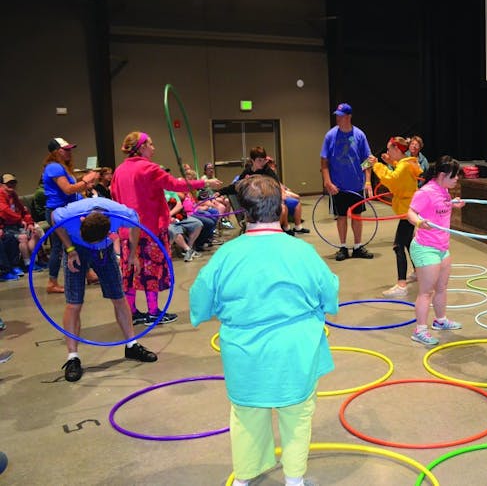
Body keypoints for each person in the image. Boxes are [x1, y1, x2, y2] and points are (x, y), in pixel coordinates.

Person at [190, 175, 338, 486]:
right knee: (296, 416)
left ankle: (244, 479)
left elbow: (200, 300)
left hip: (244, 354)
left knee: (247, 416)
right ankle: (294, 480)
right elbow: (329, 293)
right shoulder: (302, 252)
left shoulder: (226, 256)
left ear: (243, 212)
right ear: (281, 208)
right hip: (295, 352)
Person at [111, 131, 222, 326]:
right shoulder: (149, 169)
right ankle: (153, 311)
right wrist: (204, 182)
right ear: (142, 147)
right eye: (151, 144)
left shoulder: (119, 171)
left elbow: (115, 197)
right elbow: (175, 184)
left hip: (128, 230)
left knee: (131, 271)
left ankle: (132, 312)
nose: (153, 148)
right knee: (151, 271)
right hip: (151, 229)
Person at [51, 197, 158, 382]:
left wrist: (132, 255)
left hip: (105, 250)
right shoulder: (70, 214)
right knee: (73, 304)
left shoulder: (120, 213)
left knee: (119, 297)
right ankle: (72, 357)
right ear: (82, 221)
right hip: (77, 248)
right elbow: (54, 218)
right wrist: (70, 249)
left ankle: (131, 345)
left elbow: (136, 221)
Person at [405, 155, 466, 346]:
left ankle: (440, 321)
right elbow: (410, 213)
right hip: (426, 248)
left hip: (442, 247)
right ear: (442, 174)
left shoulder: (444, 190)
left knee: (441, 287)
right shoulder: (427, 191)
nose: (457, 179)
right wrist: (419, 222)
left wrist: (452, 204)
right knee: (425, 292)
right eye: (454, 176)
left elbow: (440, 210)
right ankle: (420, 330)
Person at [41, 137, 99, 293]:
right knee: (59, 247)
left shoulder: (61, 167)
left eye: (70, 149)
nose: (69, 152)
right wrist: (85, 181)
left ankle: (87, 273)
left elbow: (71, 189)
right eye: (65, 149)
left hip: (66, 210)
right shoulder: (54, 167)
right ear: (56, 151)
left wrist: (84, 183)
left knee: (75, 242)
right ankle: (53, 281)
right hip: (57, 212)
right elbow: (67, 189)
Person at [368, 136, 423, 297]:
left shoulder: (404, 166)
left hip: (408, 211)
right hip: (409, 208)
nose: (387, 152)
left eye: (389, 149)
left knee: (398, 245)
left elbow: (392, 180)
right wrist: (390, 162)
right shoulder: (408, 163)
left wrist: (377, 165)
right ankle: (418, 272)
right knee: (407, 242)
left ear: (397, 149)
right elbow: (401, 171)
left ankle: (401, 284)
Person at [320, 102, 374, 261]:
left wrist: (367, 181)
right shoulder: (330, 136)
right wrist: (327, 182)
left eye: (341, 116)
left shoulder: (359, 135)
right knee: (341, 217)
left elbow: (367, 161)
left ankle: (357, 247)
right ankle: (343, 247)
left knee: (357, 217)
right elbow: (324, 162)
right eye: (337, 115)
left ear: (349, 117)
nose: (338, 118)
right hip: (337, 186)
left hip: (357, 185)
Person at [0, 173, 45, 274]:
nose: (11, 185)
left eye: (13, 182)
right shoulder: (1, 195)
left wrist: (29, 223)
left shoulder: (13, 195)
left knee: (35, 232)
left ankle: (35, 261)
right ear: (2, 184)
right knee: (23, 237)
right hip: (7, 226)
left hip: (18, 224)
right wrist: (20, 220)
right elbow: (5, 212)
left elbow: (24, 210)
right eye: (8, 183)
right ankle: (27, 263)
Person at [266, 157, 309, 235]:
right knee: (284, 206)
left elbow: (281, 186)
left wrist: (286, 191)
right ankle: (285, 228)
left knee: (296, 202)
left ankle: (298, 227)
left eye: (274, 165)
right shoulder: (265, 175)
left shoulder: (273, 175)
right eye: (271, 164)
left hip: (282, 193)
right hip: (274, 197)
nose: (273, 167)